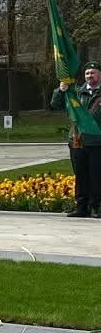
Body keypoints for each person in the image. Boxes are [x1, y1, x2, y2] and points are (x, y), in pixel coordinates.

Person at [51, 62, 101, 218]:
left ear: (100, 75)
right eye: (87, 73)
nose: (89, 76)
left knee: (97, 175)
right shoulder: (76, 93)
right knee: (80, 175)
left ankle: (97, 207)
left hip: (97, 140)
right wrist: (60, 90)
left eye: (93, 72)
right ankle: (81, 206)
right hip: (77, 140)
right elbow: (55, 105)